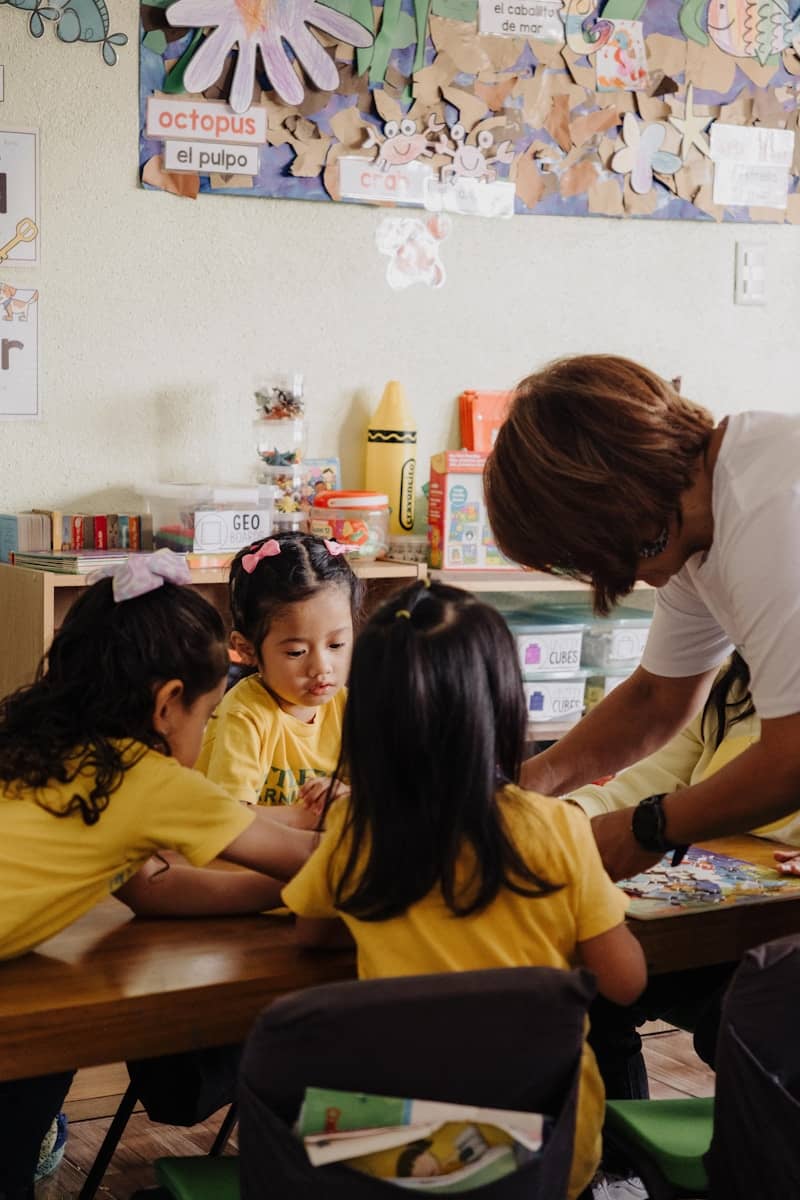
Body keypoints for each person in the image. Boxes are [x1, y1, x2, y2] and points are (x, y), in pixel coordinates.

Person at [281, 580, 647, 1200]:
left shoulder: (353, 828)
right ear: (502, 703)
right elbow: (624, 982)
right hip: (549, 1144)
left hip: (399, 1149)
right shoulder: (558, 826)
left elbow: (311, 933)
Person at [0, 549, 315, 1200]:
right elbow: (310, 863)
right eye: (206, 715)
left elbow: (149, 890)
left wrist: (286, 866)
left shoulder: (46, 746)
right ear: (169, 704)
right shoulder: (149, 779)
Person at [484, 354, 800, 881]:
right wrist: (522, 786)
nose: (604, 574)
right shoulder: (696, 525)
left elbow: (791, 759)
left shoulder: (771, 516)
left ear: (613, 507)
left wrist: (650, 827)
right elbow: (658, 698)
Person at [570, 652, 800, 1100]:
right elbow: (644, 785)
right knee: (585, 981)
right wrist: (564, 816)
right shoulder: (730, 685)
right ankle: (622, 1161)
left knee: (745, 1022)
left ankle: (758, 1160)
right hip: (713, 927)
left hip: (780, 944)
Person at [196, 531, 363, 815]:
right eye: (297, 652)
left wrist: (345, 797)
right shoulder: (244, 714)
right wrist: (314, 816)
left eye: (336, 645)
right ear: (247, 649)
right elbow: (230, 820)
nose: (321, 667)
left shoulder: (351, 708)